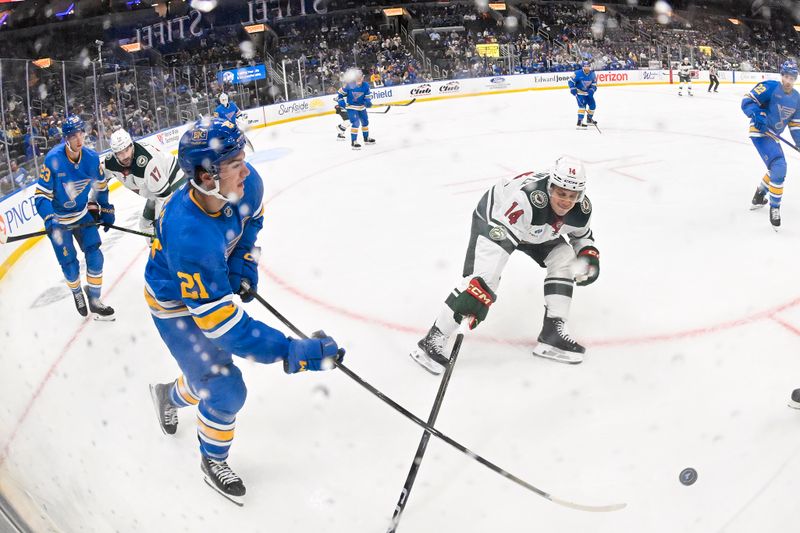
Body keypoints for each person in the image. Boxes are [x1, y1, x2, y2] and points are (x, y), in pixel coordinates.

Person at [145, 118, 343, 506]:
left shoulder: (247, 185)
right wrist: (292, 352)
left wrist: (244, 265)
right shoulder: (191, 236)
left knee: (206, 379)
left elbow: (252, 222)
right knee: (225, 388)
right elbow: (225, 328)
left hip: (207, 284)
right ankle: (212, 460)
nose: (246, 170)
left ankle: (169, 394)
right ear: (204, 176)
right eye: (234, 164)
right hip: (174, 305)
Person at [410, 157, 600, 372]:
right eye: (561, 193)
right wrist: (479, 288)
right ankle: (434, 338)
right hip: (496, 219)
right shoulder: (526, 200)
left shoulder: (581, 209)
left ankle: (552, 333)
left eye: (572, 195)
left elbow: (581, 235)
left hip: (536, 230)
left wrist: (587, 252)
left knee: (565, 257)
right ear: (550, 187)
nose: (566, 201)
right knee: (481, 285)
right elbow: (495, 246)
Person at [33, 115, 115, 320]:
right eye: (73, 135)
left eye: (81, 133)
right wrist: (49, 217)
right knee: (69, 264)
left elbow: (101, 187)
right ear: (65, 138)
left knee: (95, 254)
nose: (79, 139)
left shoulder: (92, 158)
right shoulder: (53, 159)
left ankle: (95, 300)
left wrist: (105, 209)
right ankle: (77, 292)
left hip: (81, 215)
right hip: (59, 220)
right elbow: (41, 196)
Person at [741, 60, 800, 230]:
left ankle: (759, 196)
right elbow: (747, 100)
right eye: (786, 76)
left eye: (792, 77)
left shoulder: (796, 98)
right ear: (782, 76)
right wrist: (757, 113)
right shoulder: (770, 87)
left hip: (773, 136)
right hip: (760, 132)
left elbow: (795, 125)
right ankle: (775, 208)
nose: (788, 81)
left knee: (775, 168)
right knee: (780, 166)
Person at [102, 128, 184, 238]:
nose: (125, 156)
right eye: (120, 153)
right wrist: (97, 205)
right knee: (146, 225)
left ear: (132, 145)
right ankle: (159, 252)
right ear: (114, 153)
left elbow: (163, 196)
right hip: (158, 189)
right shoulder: (110, 162)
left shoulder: (146, 163)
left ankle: (172, 249)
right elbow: (98, 182)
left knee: (169, 224)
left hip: (175, 180)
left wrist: (159, 225)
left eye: (127, 150)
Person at [337, 67, 375, 149]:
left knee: (365, 122)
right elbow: (339, 95)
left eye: (360, 77)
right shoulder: (349, 85)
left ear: (363, 77)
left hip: (361, 108)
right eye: (357, 77)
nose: (359, 79)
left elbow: (368, 96)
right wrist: (340, 101)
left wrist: (367, 101)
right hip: (352, 108)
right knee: (355, 123)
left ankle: (366, 139)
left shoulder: (366, 85)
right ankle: (354, 142)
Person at [567, 61, 597, 129]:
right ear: (583, 67)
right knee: (582, 107)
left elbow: (594, 84)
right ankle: (579, 123)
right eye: (585, 66)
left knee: (593, 106)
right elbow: (570, 81)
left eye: (588, 66)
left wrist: (592, 90)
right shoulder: (577, 73)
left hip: (588, 93)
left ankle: (589, 119)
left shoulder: (593, 74)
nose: (586, 68)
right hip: (580, 93)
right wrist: (572, 88)